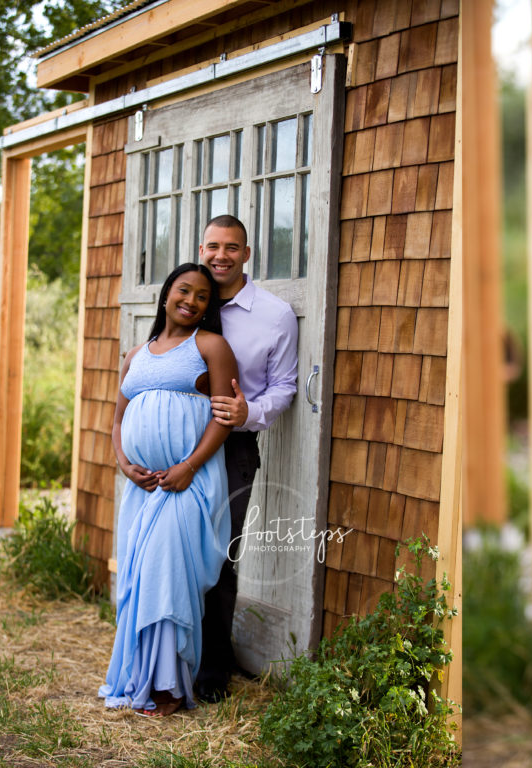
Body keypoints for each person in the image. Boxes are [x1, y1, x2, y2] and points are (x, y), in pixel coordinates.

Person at [100, 263, 238, 716]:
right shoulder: (136, 355)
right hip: (143, 488)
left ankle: (170, 687)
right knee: (142, 578)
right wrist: (124, 464)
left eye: (203, 296)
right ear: (166, 295)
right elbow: (118, 420)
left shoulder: (212, 347)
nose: (192, 300)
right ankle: (142, 677)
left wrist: (188, 467)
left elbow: (223, 418)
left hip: (187, 484)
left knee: (168, 579)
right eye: (185, 290)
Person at [194, 214, 299, 702]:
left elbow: (285, 387)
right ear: (202, 248)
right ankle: (174, 654)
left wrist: (248, 411)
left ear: (247, 254)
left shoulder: (274, 316)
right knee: (178, 551)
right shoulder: (187, 299)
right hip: (180, 439)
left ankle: (214, 669)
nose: (221, 256)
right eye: (213, 246)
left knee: (219, 557)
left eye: (231, 248)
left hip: (234, 447)